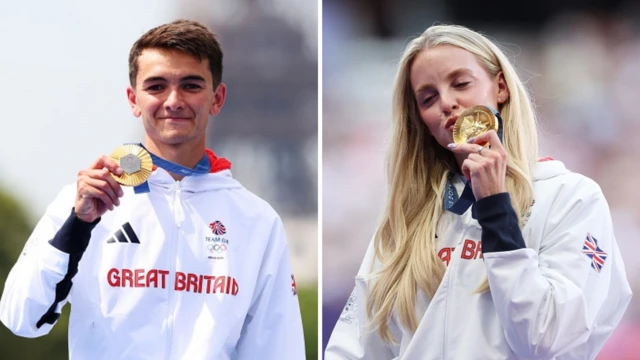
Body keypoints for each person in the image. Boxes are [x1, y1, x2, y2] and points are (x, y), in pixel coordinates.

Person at [0, 19, 305, 359]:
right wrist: (78, 226)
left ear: (217, 98)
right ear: (133, 99)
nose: (173, 101)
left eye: (191, 85)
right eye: (156, 86)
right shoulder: (84, 200)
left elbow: (278, 349)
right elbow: (21, 318)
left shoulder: (258, 221)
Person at [325, 24, 632, 359]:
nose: (447, 103)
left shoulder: (570, 198)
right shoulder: (408, 216)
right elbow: (354, 344)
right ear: (421, 120)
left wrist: (496, 208)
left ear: (500, 87)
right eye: (429, 98)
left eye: (461, 84)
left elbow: (549, 339)